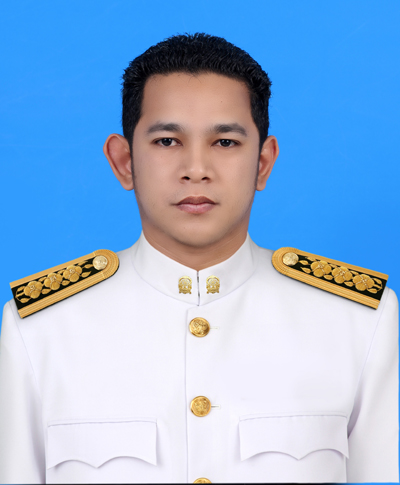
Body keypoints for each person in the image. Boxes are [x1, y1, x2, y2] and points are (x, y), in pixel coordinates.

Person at [0, 33, 398, 484]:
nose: (196, 169)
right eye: (167, 141)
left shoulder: (358, 322)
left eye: (225, 142)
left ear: (263, 162)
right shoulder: (40, 331)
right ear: (125, 161)